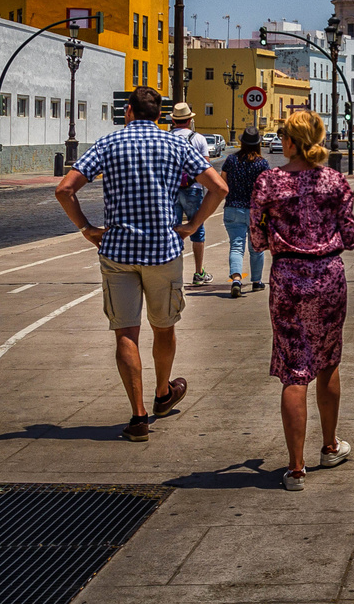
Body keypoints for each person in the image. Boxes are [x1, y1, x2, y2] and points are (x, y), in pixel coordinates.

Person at [56, 86, 227, 442]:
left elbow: (64, 189)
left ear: (129, 112)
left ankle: (138, 417)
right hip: (162, 251)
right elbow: (219, 188)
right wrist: (193, 225)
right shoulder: (177, 145)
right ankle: (163, 393)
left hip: (117, 252)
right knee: (164, 328)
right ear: (160, 115)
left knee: (126, 333)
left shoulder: (108, 143)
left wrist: (86, 228)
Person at [250, 110, 354, 490]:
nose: (280, 141)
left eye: (283, 135)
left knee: (296, 368)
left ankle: (296, 469)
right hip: (329, 276)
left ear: (292, 142)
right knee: (327, 361)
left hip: (288, 279)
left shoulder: (269, 181)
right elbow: (351, 234)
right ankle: (329, 447)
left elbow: (257, 239)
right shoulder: (334, 181)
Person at [220, 125, 271, 298]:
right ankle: (256, 282)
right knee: (256, 248)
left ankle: (236, 279)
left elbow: (222, 184)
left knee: (236, 246)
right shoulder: (262, 164)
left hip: (233, 208)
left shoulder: (231, 160)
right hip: (255, 211)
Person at [168, 103, 214, 286]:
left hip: (171, 189)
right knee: (196, 228)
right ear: (190, 120)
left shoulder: (166, 137)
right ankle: (198, 272)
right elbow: (206, 166)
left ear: (173, 120)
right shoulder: (199, 139)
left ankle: (174, 272)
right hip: (193, 188)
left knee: (173, 230)